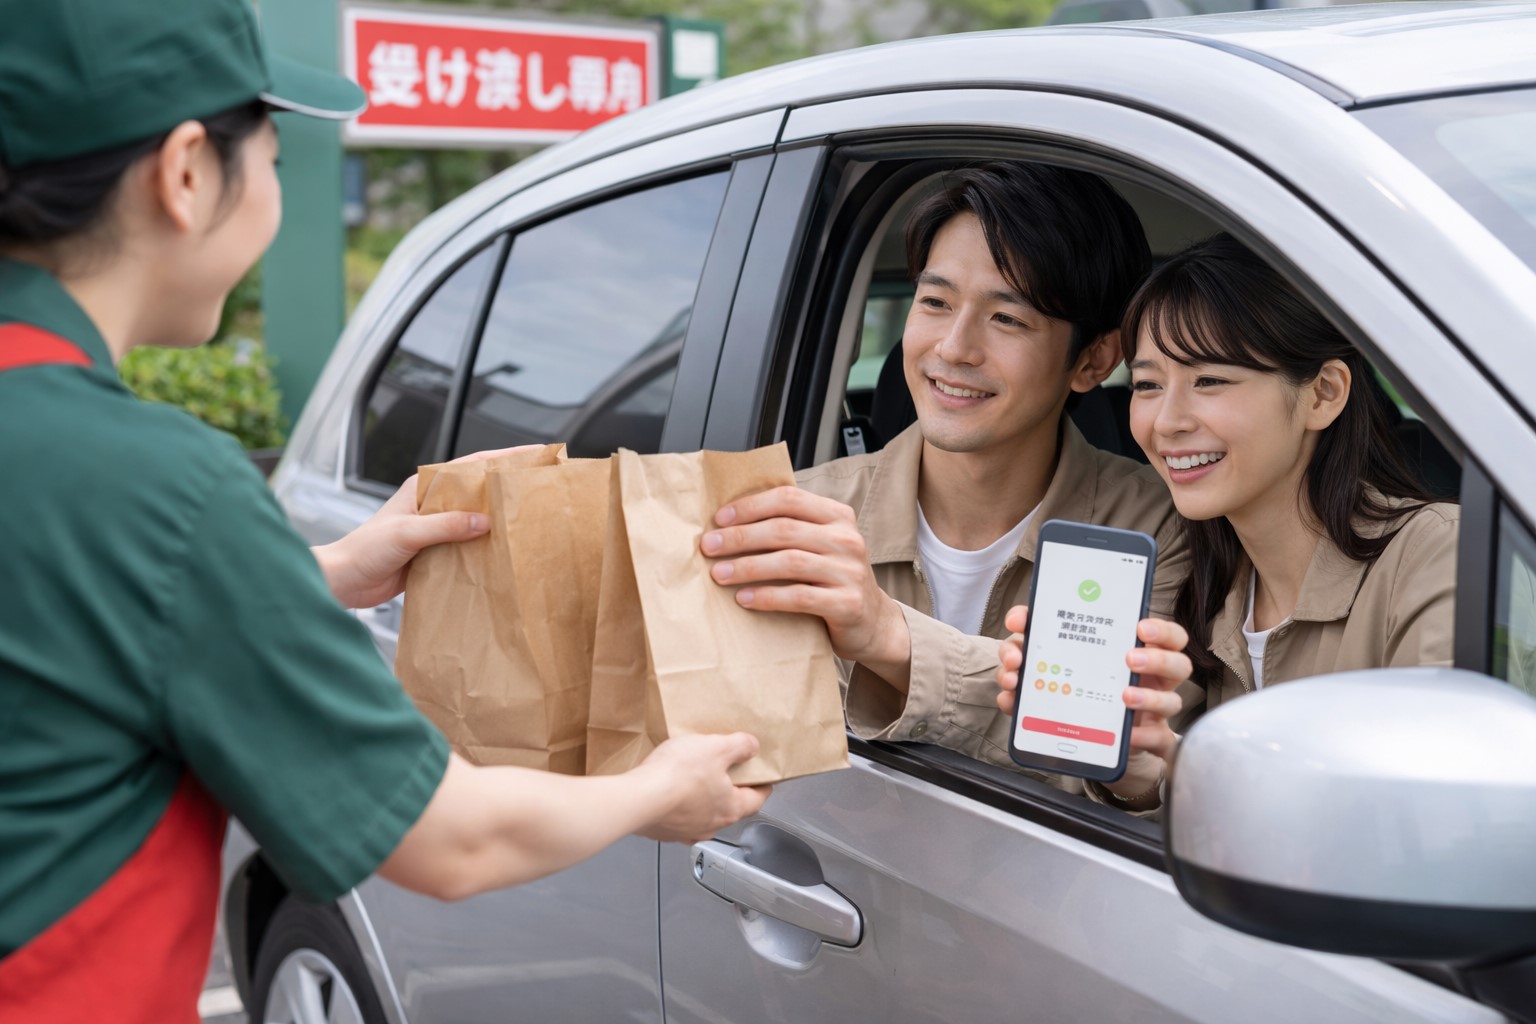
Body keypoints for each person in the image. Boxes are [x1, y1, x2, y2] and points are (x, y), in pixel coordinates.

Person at [0, 3, 766, 1020]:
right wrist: (658, 789)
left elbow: (55, 613)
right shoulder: (155, 485)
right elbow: (449, 838)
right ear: (186, 174)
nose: (273, 190)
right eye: (272, 158)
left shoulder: (88, 476)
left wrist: (316, 572)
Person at [700, 162, 1195, 810]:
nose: (954, 348)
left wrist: (887, 636)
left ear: (1093, 361)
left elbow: (1124, 770)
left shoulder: (1154, 527)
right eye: (935, 303)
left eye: (1008, 319)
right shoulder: (795, 516)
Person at [998, 233, 1458, 782]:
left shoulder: (1437, 556)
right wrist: (1147, 767)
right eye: (1146, 385)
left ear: (1323, 394)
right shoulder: (1201, 581)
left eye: (1210, 380)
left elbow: (1431, 819)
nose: (1166, 421)